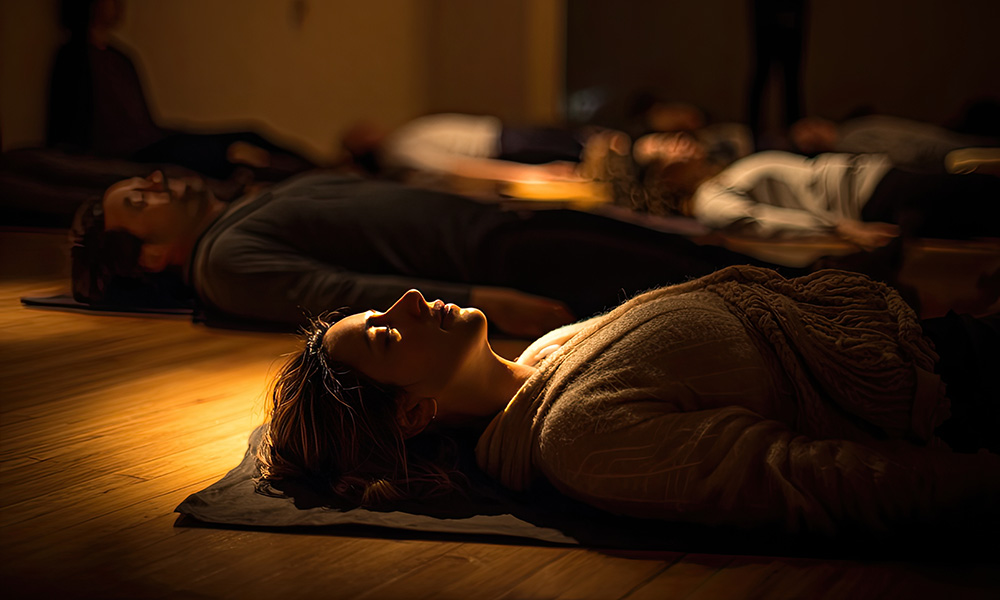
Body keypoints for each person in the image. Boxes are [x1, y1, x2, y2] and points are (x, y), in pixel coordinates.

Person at [256, 266, 999, 536]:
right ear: (413, 413)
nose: (410, 299)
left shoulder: (548, 356)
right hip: (962, 390)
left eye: (384, 309)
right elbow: (819, 479)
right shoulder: (579, 438)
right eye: (387, 335)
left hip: (922, 338)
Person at [72, 169, 816, 337]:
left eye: (142, 184)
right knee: (713, 288)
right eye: (139, 203)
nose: (158, 183)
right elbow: (349, 291)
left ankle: (845, 295)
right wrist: (497, 309)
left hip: (502, 232)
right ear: (153, 256)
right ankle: (853, 315)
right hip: (506, 267)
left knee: (705, 261)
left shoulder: (239, 208)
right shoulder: (225, 262)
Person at [47, 0, 315, 181]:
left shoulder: (121, 57)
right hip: (133, 151)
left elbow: (146, 121)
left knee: (250, 131)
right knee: (233, 152)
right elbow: (71, 124)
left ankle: (323, 167)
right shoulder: (74, 56)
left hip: (152, 138)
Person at [635, 136, 1000, 248]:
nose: (675, 144)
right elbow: (766, 222)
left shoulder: (722, 172)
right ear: (664, 179)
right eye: (663, 152)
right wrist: (840, 229)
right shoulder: (709, 200)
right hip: (874, 198)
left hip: (880, 180)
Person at [341, 113, 604, 186]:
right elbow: (463, 168)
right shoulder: (397, 151)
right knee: (591, 156)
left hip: (502, 138)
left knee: (591, 148)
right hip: (502, 147)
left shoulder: (400, 142)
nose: (370, 126)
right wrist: (533, 174)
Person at [790, 114, 1000, 174]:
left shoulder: (849, 141)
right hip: (937, 141)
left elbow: (900, 156)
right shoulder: (856, 127)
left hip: (935, 156)